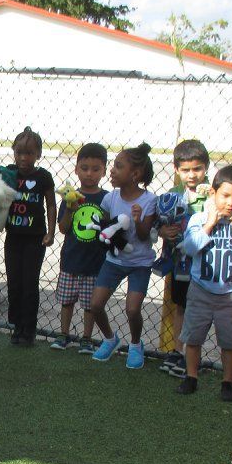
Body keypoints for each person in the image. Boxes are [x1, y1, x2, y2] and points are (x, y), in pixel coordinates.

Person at [176, 166, 232, 401]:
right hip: (201, 291)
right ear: (213, 193)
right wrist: (210, 224)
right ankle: (191, 377)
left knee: (229, 342)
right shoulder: (199, 219)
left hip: (229, 295)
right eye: (225, 196)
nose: (231, 203)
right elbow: (190, 248)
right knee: (193, 338)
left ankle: (228, 382)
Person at [88, 143, 158, 368]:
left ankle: (136, 345)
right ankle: (110, 339)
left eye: (118, 166)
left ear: (135, 174)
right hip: (115, 260)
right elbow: (107, 227)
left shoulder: (148, 201)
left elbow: (145, 235)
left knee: (132, 309)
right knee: (96, 305)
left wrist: (137, 220)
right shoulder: (110, 198)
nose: (112, 171)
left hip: (139, 263)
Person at [157, 139, 211, 376]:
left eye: (197, 169)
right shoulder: (173, 195)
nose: (192, 175)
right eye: (186, 170)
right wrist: (162, 231)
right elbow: (159, 223)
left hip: (203, 263)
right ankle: (178, 351)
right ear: (176, 169)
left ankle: (191, 353)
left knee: (197, 309)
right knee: (181, 305)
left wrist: (213, 197)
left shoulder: (214, 193)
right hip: (180, 262)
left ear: (206, 167)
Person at [51, 144, 109, 354]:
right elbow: (64, 228)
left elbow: (110, 229)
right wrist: (70, 210)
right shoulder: (71, 197)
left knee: (90, 304)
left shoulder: (107, 198)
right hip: (71, 260)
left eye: (95, 169)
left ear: (104, 170)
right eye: (84, 168)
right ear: (76, 169)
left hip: (95, 261)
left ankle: (87, 337)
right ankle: (63, 334)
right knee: (67, 301)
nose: (89, 174)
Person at [3, 128, 56, 346]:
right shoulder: (9, 172)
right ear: (14, 152)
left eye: (30, 153)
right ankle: (16, 325)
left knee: (29, 284)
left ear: (38, 155)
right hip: (13, 237)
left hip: (35, 239)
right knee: (14, 283)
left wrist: (50, 232)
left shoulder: (43, 176)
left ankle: (29, 328)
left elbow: (51, 204)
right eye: (20, 153)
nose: (24, 158)